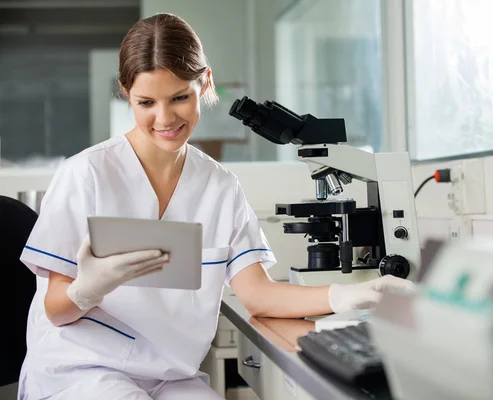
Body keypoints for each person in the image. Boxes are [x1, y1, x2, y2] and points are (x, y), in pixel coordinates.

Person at [17, 13, 415, 400]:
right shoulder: (85, 174)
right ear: (126, 94)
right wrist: (87, 290)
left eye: (179, 97)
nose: (164, 118)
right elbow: (57, 311)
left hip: (170, 376)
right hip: (84, 370)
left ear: (204, 83)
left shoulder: (220, 186)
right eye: (145, 103)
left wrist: (344, 298)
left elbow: (257, 293)